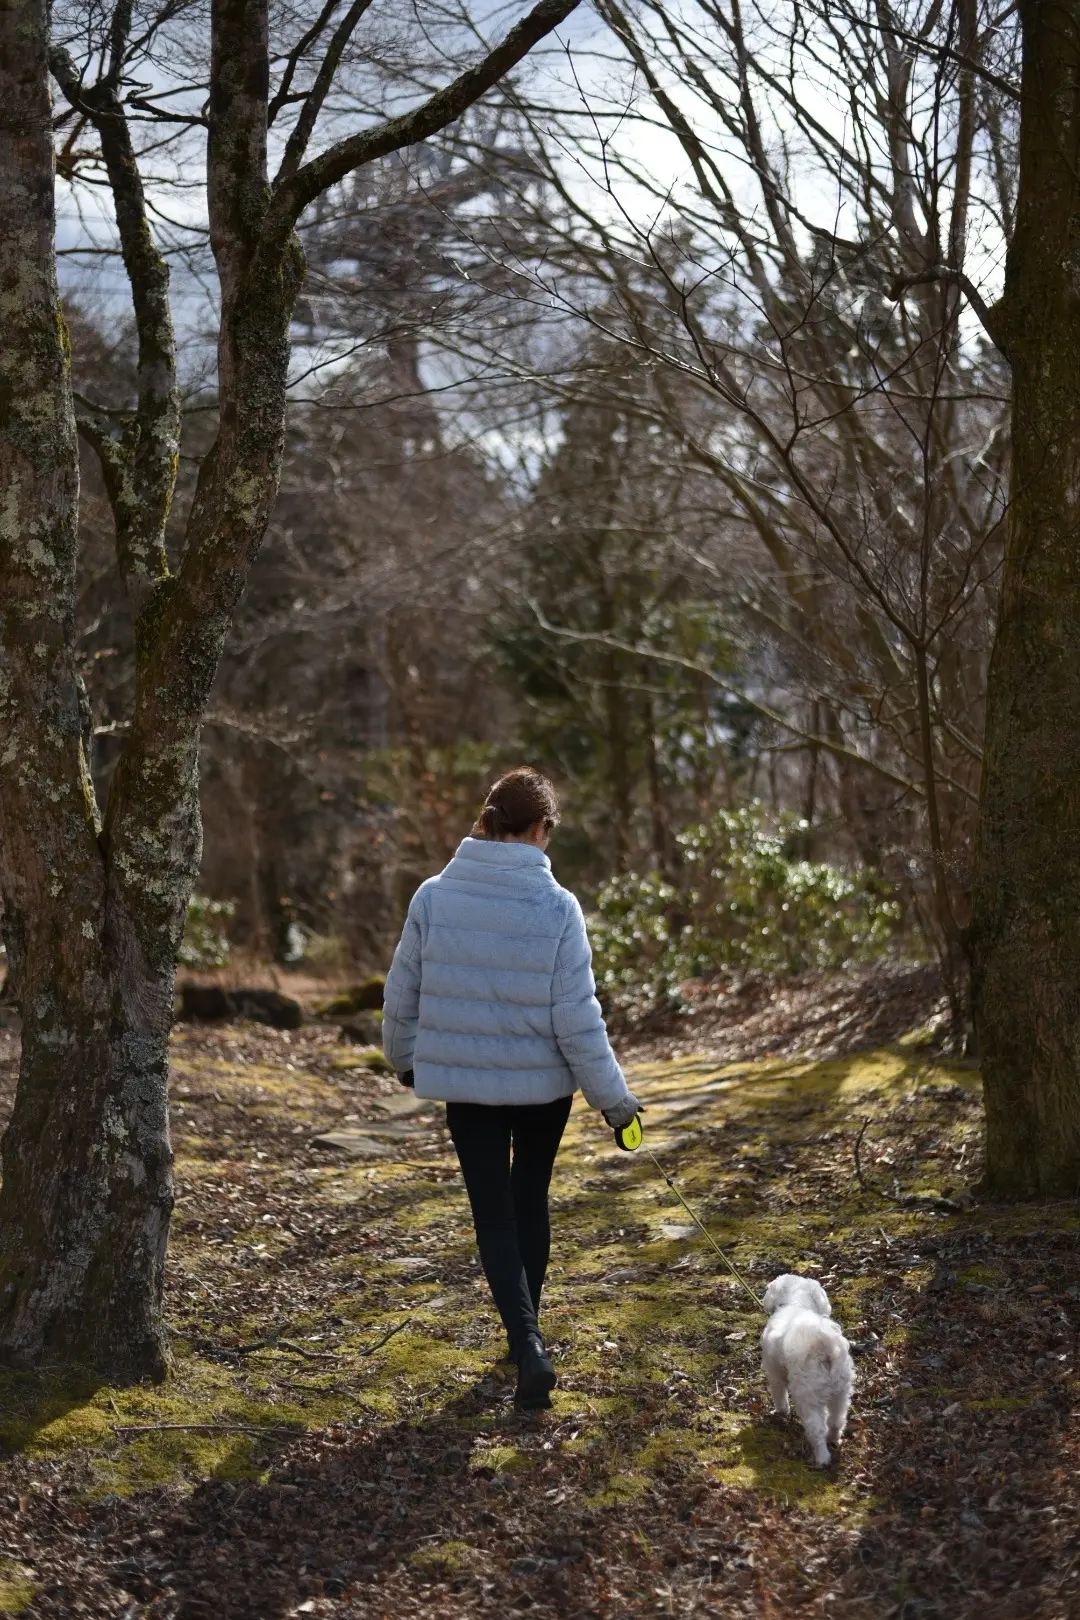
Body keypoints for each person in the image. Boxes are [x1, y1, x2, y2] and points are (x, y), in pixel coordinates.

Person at [381, 766, 641, 1410]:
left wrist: (404, 1058)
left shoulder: (433, 897)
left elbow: (401, 992)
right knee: (530, 1201)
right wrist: (616, 1103)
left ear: (488, 822)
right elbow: (577, 1017)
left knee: (493, 1213)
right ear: (541, 828)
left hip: (466, 1089)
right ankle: (527, 1339)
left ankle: (525, 1342)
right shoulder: (558, 907)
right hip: (542, 1090)